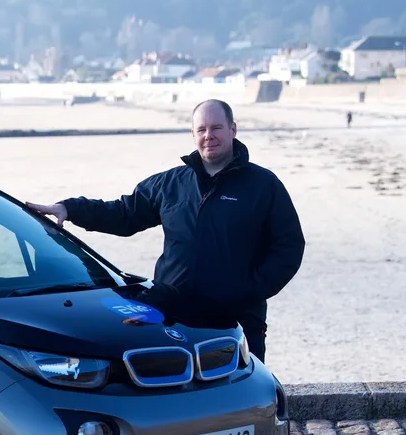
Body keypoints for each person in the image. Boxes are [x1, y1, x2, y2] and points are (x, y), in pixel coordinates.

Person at [26, 99, 305, 363]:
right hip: (173, 314)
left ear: (232, 130)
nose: (209, 135)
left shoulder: (263, 185)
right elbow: (124, 214)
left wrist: (251, 289)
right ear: (193, 135)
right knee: (174, 395)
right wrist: (70, 209)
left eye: (217, 127)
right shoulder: (170, 184)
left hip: (238, 316)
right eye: (202, 129)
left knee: (244, 394)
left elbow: (289, 246)